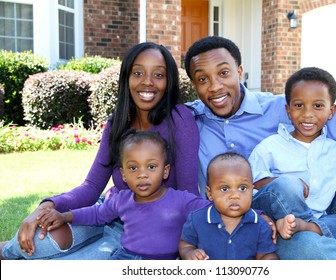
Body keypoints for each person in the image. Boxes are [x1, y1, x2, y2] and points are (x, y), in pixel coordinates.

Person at [184, 35, 336, 259]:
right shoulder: (187, 121)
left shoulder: (288, 108)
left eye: (224, 73)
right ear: (194, 85)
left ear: (239, 71)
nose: (215, 87)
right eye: (202, 79)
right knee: (302, 242)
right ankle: (318, 237)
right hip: (255, 221)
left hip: (309, 208)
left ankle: (313, 229)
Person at [1, 42, 201, 260]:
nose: (147, 82)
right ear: (127, 78)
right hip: (105, 212)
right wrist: (46, 207)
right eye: (138, 73)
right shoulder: (117, 123)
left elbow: (189, 194)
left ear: (168, 81)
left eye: (158, 75)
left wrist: (186, 247)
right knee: (40, 242)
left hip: (145, 232)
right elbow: (93, 185)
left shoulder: (179, 119)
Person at [248, 67, 336, 250]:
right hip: (280, 214)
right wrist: (287, 182)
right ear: (288, 110)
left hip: (321, 218)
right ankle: (309, 233)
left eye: (318, 106)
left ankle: (308, 229)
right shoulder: (269, 146)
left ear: (331, 111)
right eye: (299, 105)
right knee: (288, 185)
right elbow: (251, 184)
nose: (307, 114)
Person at [35, 130, 211, 260]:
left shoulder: (181, 200)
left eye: (151, 167)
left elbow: (211, 210)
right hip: (125, 259)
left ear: (165, 171)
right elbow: (96, 214)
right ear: (124, 174)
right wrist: (65, 216)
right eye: (133, 168)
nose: (142, 174)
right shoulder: (122, 200)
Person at [179, 152, 279, 260]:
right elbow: (185, 244)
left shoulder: (260, 224)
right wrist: (190, 253)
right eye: (225, 189)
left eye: (242, 188)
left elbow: (265, 255)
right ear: (210, 193)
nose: (235, 196)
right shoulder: (196, 220)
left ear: (252, 190)